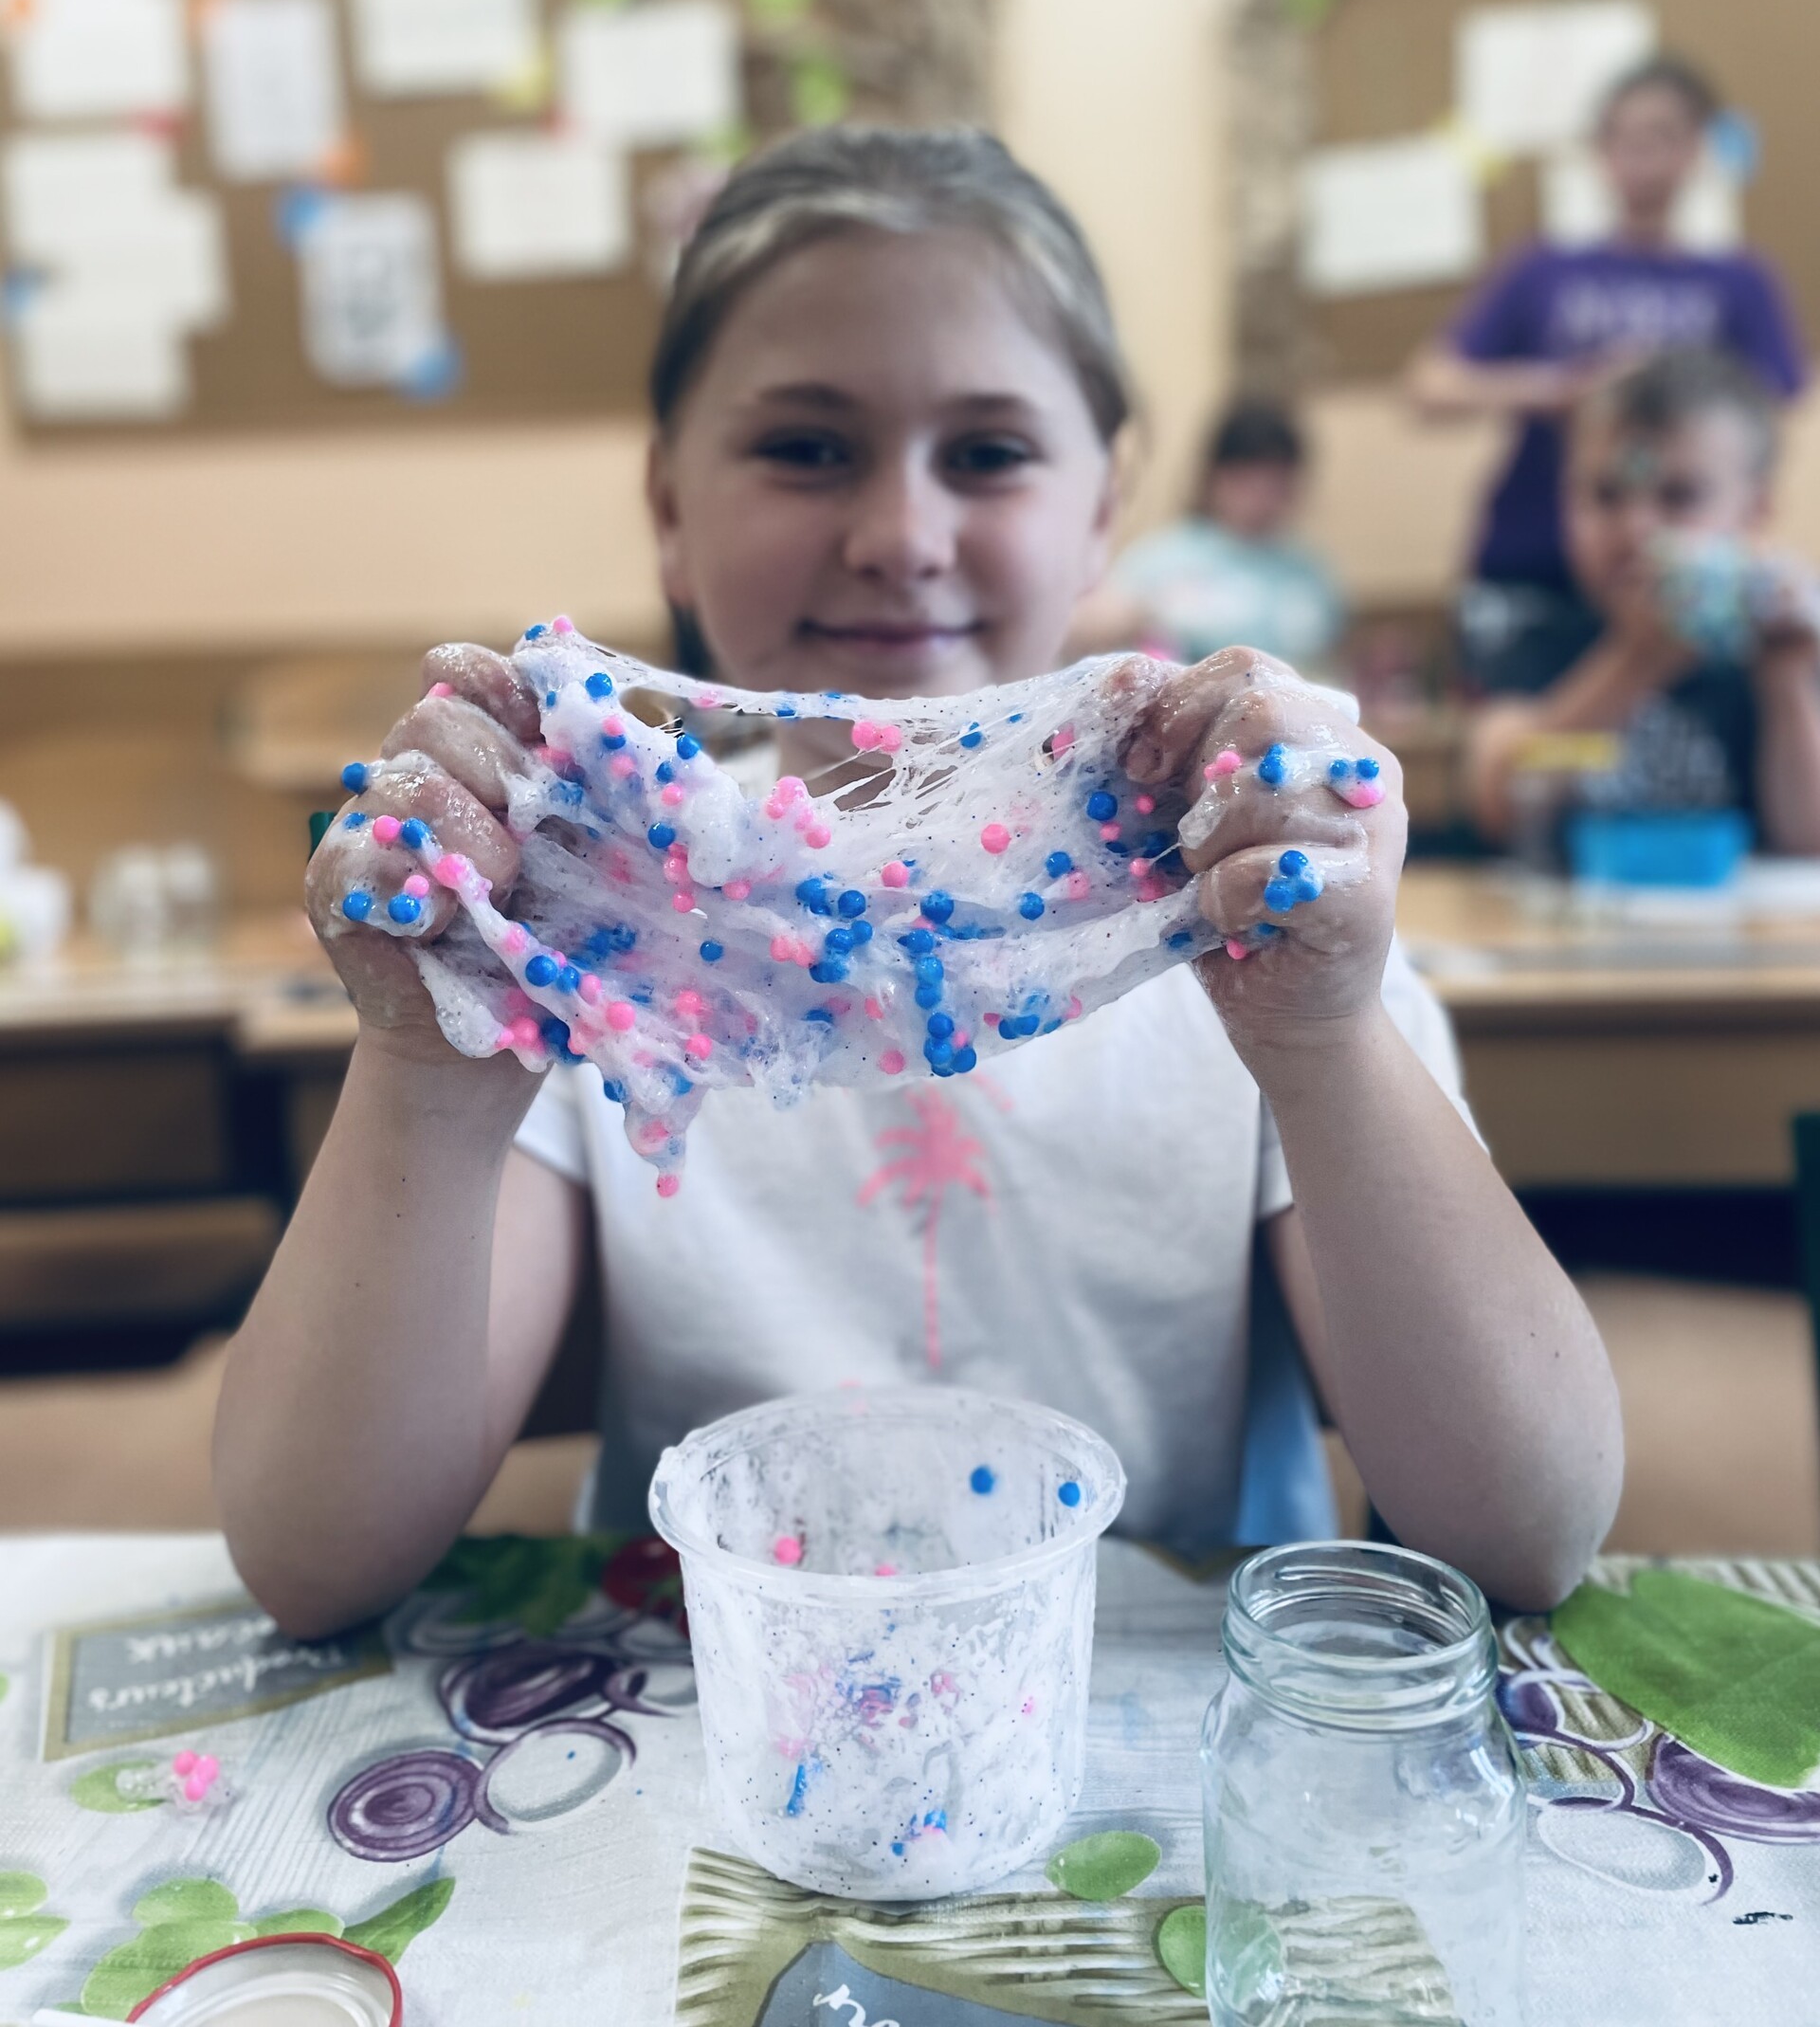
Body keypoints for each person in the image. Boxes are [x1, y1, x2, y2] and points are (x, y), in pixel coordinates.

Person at [214, 127, 1620, 1637]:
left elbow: (1527, 1535)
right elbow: (311, 1556)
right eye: (807, 449)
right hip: (712, 1727)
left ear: (1104, 509)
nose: (901, 537)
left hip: (1166, 1722)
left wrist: (1329, 1037)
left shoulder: (1254, 918)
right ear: (671, 507)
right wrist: (432, 1061)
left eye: (989, 454)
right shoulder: (584, 929)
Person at [1407, 56, 1806, 674]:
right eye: (1624, 135)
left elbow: (1771, 407)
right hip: (1532, 565)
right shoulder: (1541, 269)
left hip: (1684, 578)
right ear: (1600, 152)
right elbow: (1430, 385)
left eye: (1664, 134)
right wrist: (1563, 389)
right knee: (1536, 730)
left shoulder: (1740, 281)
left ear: (1699, 150)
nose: (1642, 153)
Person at [1467, 347, 1820, 852]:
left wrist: (1787, 684)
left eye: (1679, 495)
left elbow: (1809, 841)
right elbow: (1496, 801)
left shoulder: (1774, 650)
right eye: (1607, 494)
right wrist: (1635, 663)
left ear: (1755, 512)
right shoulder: (1542, 636)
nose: (1636, 529)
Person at [1094, 395, 1343, 670]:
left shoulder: (1309, 572)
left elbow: (1328, 662)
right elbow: (1106, 631)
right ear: (1213, 478)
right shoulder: (1159, 560)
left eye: (1277, 485)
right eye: (1246, 483)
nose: (1261, 500)